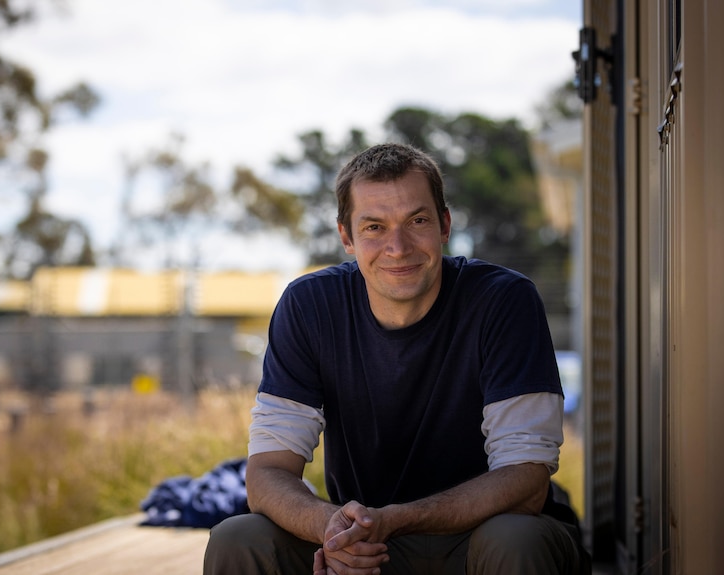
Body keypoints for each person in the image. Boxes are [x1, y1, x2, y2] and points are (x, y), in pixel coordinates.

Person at [204, 143, 590, 574]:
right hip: (366, 544)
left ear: (444, 225)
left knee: (516, 538)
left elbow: (525, 480)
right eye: (374, 227)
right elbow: (268, 473)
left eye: (417, 220)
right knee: (238, 538)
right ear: (346, 237)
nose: (398, 246)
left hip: (478, 537)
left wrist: (395, 520)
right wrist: (332, 528)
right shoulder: (309, 306)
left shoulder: (503, 300)